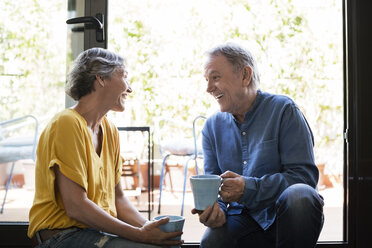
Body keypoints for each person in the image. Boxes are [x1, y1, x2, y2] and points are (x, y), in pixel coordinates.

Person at [28, 48, 183, 248]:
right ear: (101, 78)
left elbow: (118, 199)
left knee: (167, 245)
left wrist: (151, 229)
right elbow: (75, 206)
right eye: (124, 76)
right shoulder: (66, 123)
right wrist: (140, 235)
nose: (129, 88)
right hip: (62, 237)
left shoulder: (109, 131)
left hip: (96, 234)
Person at [192, 43, 324, 248]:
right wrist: (215, 211)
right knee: (212, 240)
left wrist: (249, 188)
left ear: (245, 75)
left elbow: (304, 178)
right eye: (207, 80)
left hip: (284, 217)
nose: (208, 88)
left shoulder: (284, 110)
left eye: (215, 77)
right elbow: (213, 185)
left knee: (299, 196)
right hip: (242, 219)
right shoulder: (211, 127)